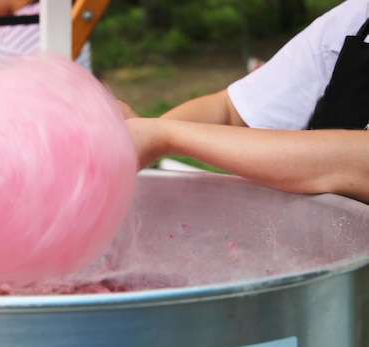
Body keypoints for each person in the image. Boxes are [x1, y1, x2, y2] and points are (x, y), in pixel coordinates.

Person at [124, 0, 369, 204]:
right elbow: (232, 111)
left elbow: (356, 163)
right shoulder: (354, 19)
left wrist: (164, 136)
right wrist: (133, 136)